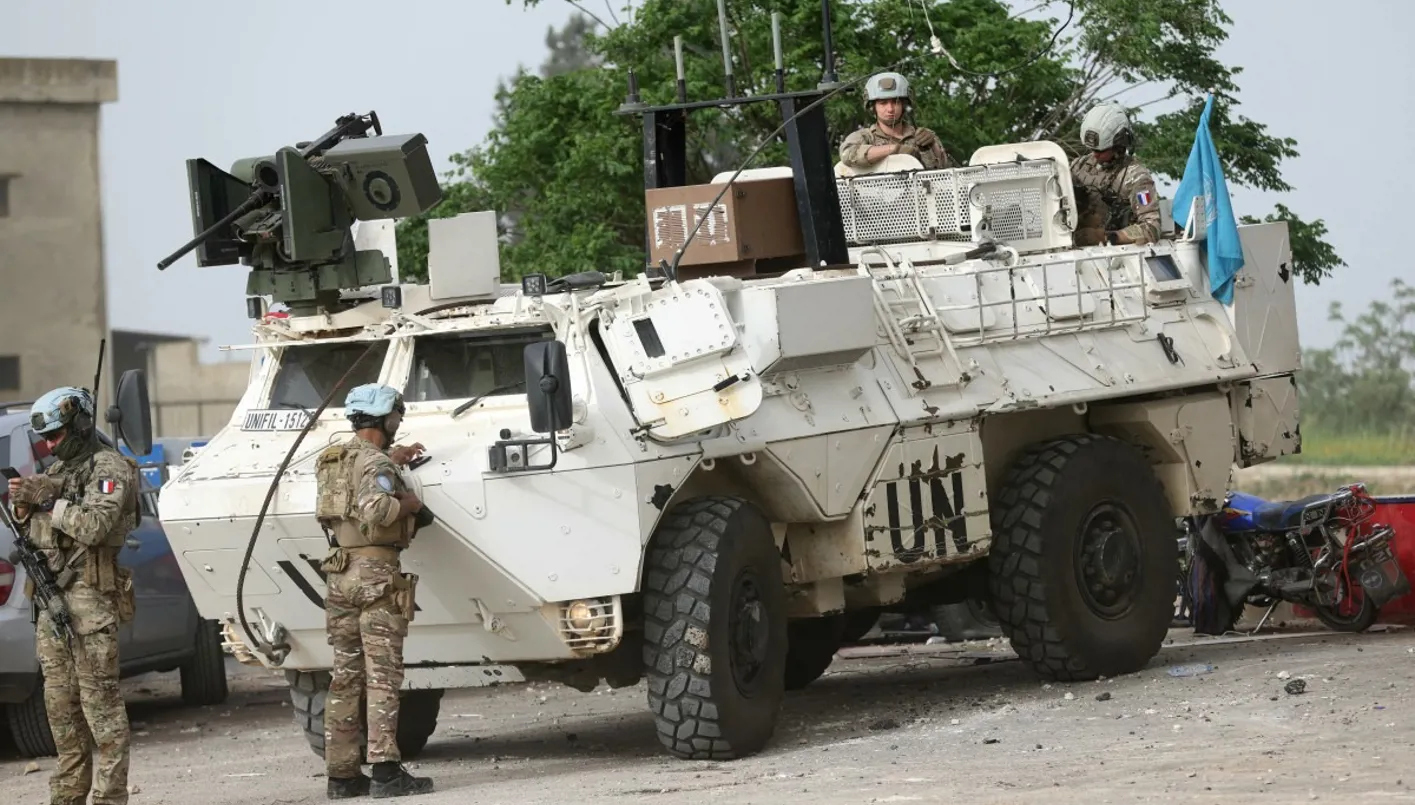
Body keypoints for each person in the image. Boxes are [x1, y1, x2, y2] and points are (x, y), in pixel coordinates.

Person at [7, 387, 139, 805]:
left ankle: (109, 798)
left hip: (91, 603)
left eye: (55, 436)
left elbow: (95, 527)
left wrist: (47, 500)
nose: (49, 446)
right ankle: (66, 797)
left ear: (79, 425)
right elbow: (37, 535)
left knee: (102, 711)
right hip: (52, 604)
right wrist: (24, 508)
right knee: (61, 709)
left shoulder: (110, 467)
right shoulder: (59, 471)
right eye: (44, 438)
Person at [314, 382, 432, 799]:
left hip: (340, 573)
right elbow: (377, 509)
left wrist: (391, 462)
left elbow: (353, 489)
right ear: (386, 419)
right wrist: (409, 504)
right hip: (375, 574)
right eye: (396, 416)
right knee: (383, 673)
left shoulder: (334, 458)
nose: (398, 422)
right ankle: (385, 771)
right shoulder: (375, 464)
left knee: (345, 676)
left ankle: (342, 776)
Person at [1070, 101, 1164, 246]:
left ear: (1118, 145)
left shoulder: (1136, 178)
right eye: (1092, 149)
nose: (1095, 155)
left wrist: (1109, 237)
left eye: (1101, 150)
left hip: (1116, 254)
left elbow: (1151, 227)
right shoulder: (1079, 166)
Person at [839, 71, 956, 171]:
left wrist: (932, 146)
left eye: (895, 102)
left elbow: (946, 171)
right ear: (873, 107)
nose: (890, 109)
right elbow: (847, 154)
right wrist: (895, 149)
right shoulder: (865, 137)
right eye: (883, 103)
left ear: (904, 105)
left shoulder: (922, 136)